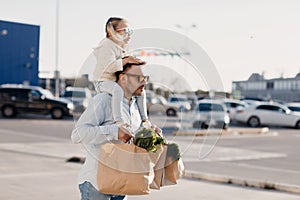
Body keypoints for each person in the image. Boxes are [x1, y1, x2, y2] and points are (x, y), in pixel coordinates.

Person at [72, 62, 161, 200]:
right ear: (123, 78)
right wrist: (114, 131)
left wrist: (150, 136)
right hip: (96, 185)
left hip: (122, 184)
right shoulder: (103, 100)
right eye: (139, 78)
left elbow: (131, 142)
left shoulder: (135, 107)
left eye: (145, 78)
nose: (144, 82)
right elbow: (77, 135)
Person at [93, 17, 149, 127]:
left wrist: (135, 61)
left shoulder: (123, 47)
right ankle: (119, 121)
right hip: (102, 81)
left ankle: (145, 120)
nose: (129, 34)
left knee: (141, 91)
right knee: (117, 91)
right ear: (112, 32)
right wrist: (127, 60)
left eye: (130, 31)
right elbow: (109, 67)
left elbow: (125, 62)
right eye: (126, 31)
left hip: (115, 80)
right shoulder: (107, 45)